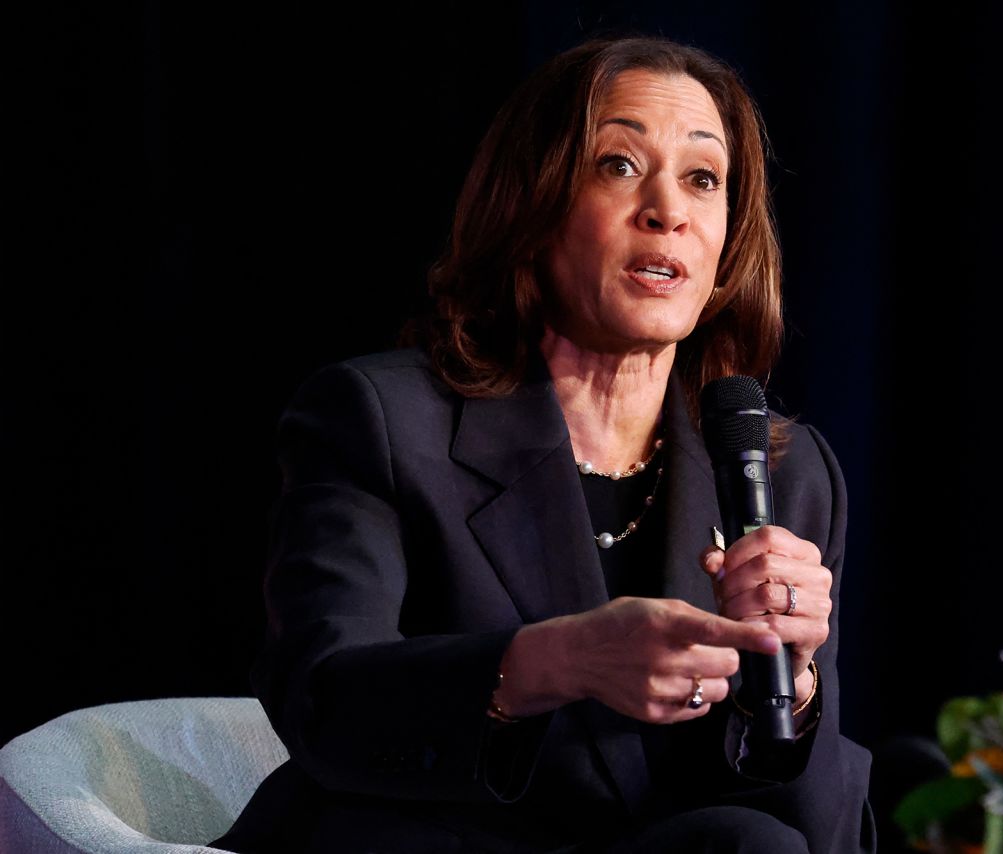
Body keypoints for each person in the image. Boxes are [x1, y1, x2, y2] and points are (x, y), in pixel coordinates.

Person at [214, 36, 874, 854]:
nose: (668, 208)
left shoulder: (785, 472)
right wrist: (550, 662)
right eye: (620, 166)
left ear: (727, 246)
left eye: (703, 178)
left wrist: (795, 694)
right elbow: (323, 700)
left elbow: (830, 835)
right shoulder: (382, 420)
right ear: (532, 211)